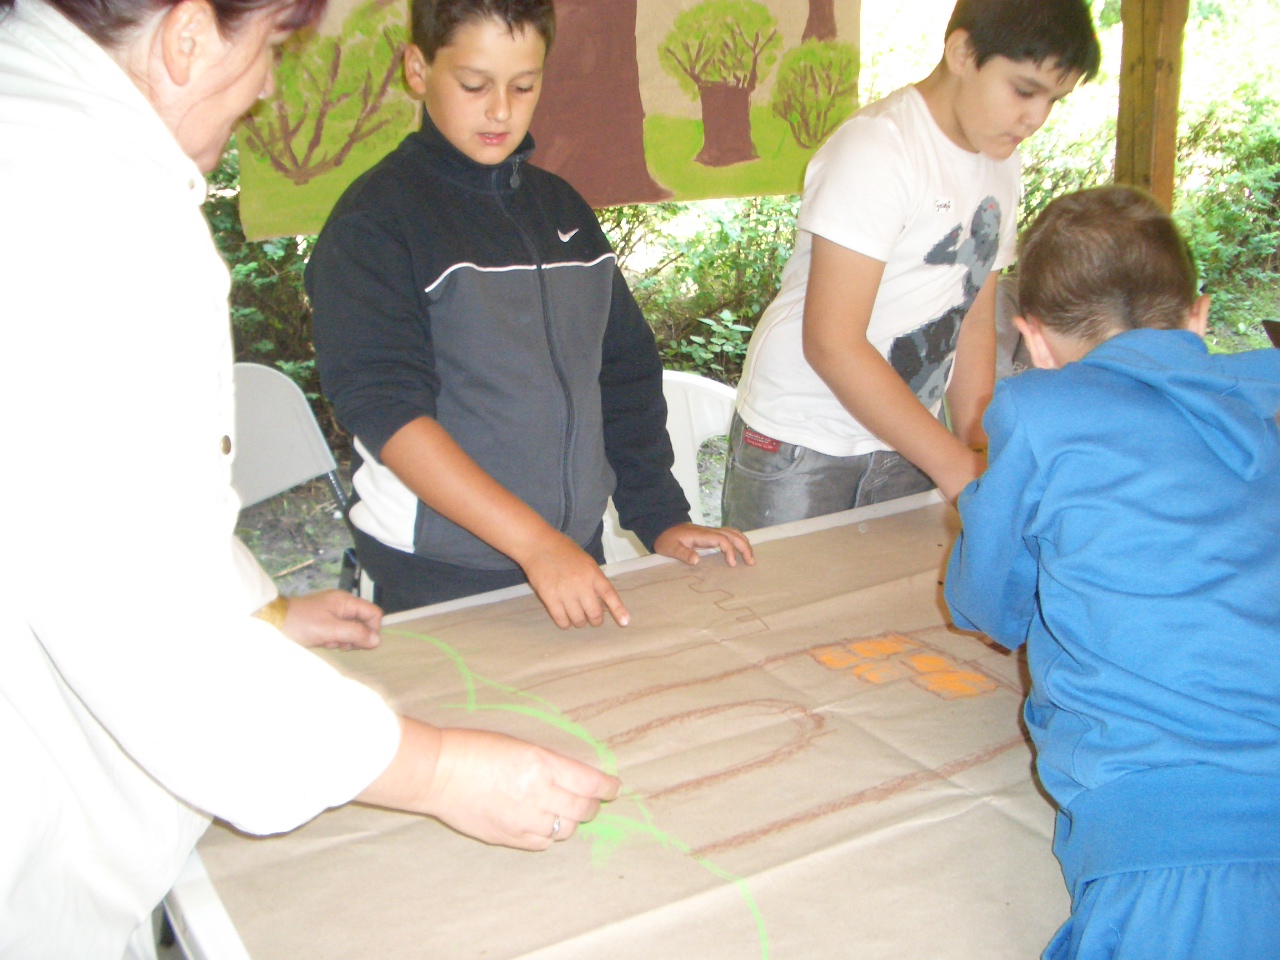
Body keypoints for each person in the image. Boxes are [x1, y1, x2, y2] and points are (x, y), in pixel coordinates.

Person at [0, 0, 620, 955]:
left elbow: (103, 520)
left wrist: (262, 610)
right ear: (189, 34)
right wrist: (435, 770)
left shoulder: (44, 138)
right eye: (273, 46)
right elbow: (148, 632)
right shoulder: (90, 210)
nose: (263, 88)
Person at [305, 0, 754, 626]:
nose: (500, 110)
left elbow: (622, 374)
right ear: (417, 68)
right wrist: (535, 543)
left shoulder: (562, 210)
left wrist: (660, 517)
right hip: (436, 573)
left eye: (523, 86)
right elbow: (390, 414)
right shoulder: (376, 222)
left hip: (569, 554)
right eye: (474, 84)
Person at [945, 186, 1280, 959]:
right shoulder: (1262, 410)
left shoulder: (1038, 412)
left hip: (1175, 837)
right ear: (1199, 316)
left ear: (1033, 340)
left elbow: (986, 606)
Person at [722, 0, 1100, 530]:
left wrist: (976, 445)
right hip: (802, 437)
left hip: (909, 435)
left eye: (1053, 100)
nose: (1036, 118)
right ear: (962, 53)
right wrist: (953, 464)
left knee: (903, 585)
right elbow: (832, 342)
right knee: (783, 587)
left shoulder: (1002, 163)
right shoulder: (879, 148)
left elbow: (973, 319)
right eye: (1023, 90)